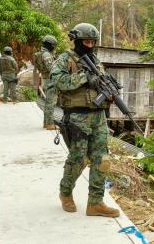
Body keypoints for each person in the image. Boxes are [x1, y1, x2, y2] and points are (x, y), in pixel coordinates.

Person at [50, 23, 119, 217]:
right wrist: (84, 77)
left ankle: (95, 203)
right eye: (85, 41)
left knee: (102, 160)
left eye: (92, 42)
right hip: (77, 116)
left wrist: (109, 94)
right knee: (78, 159)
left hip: (98, 117)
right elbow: (59, 82)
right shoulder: (65, 59)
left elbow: (100, 83)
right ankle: (65, 193)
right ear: (76, 41)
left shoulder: (96, 61)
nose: (89, 45)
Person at [33, 35, 58, 130]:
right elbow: (51, 68)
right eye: (53, 45)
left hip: (44, 79)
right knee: (50, 103)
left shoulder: (39, 53)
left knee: (48, 102)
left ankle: (46, 123)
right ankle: (50, 124)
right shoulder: (46, 54)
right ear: (50, 45)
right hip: (50, 80)